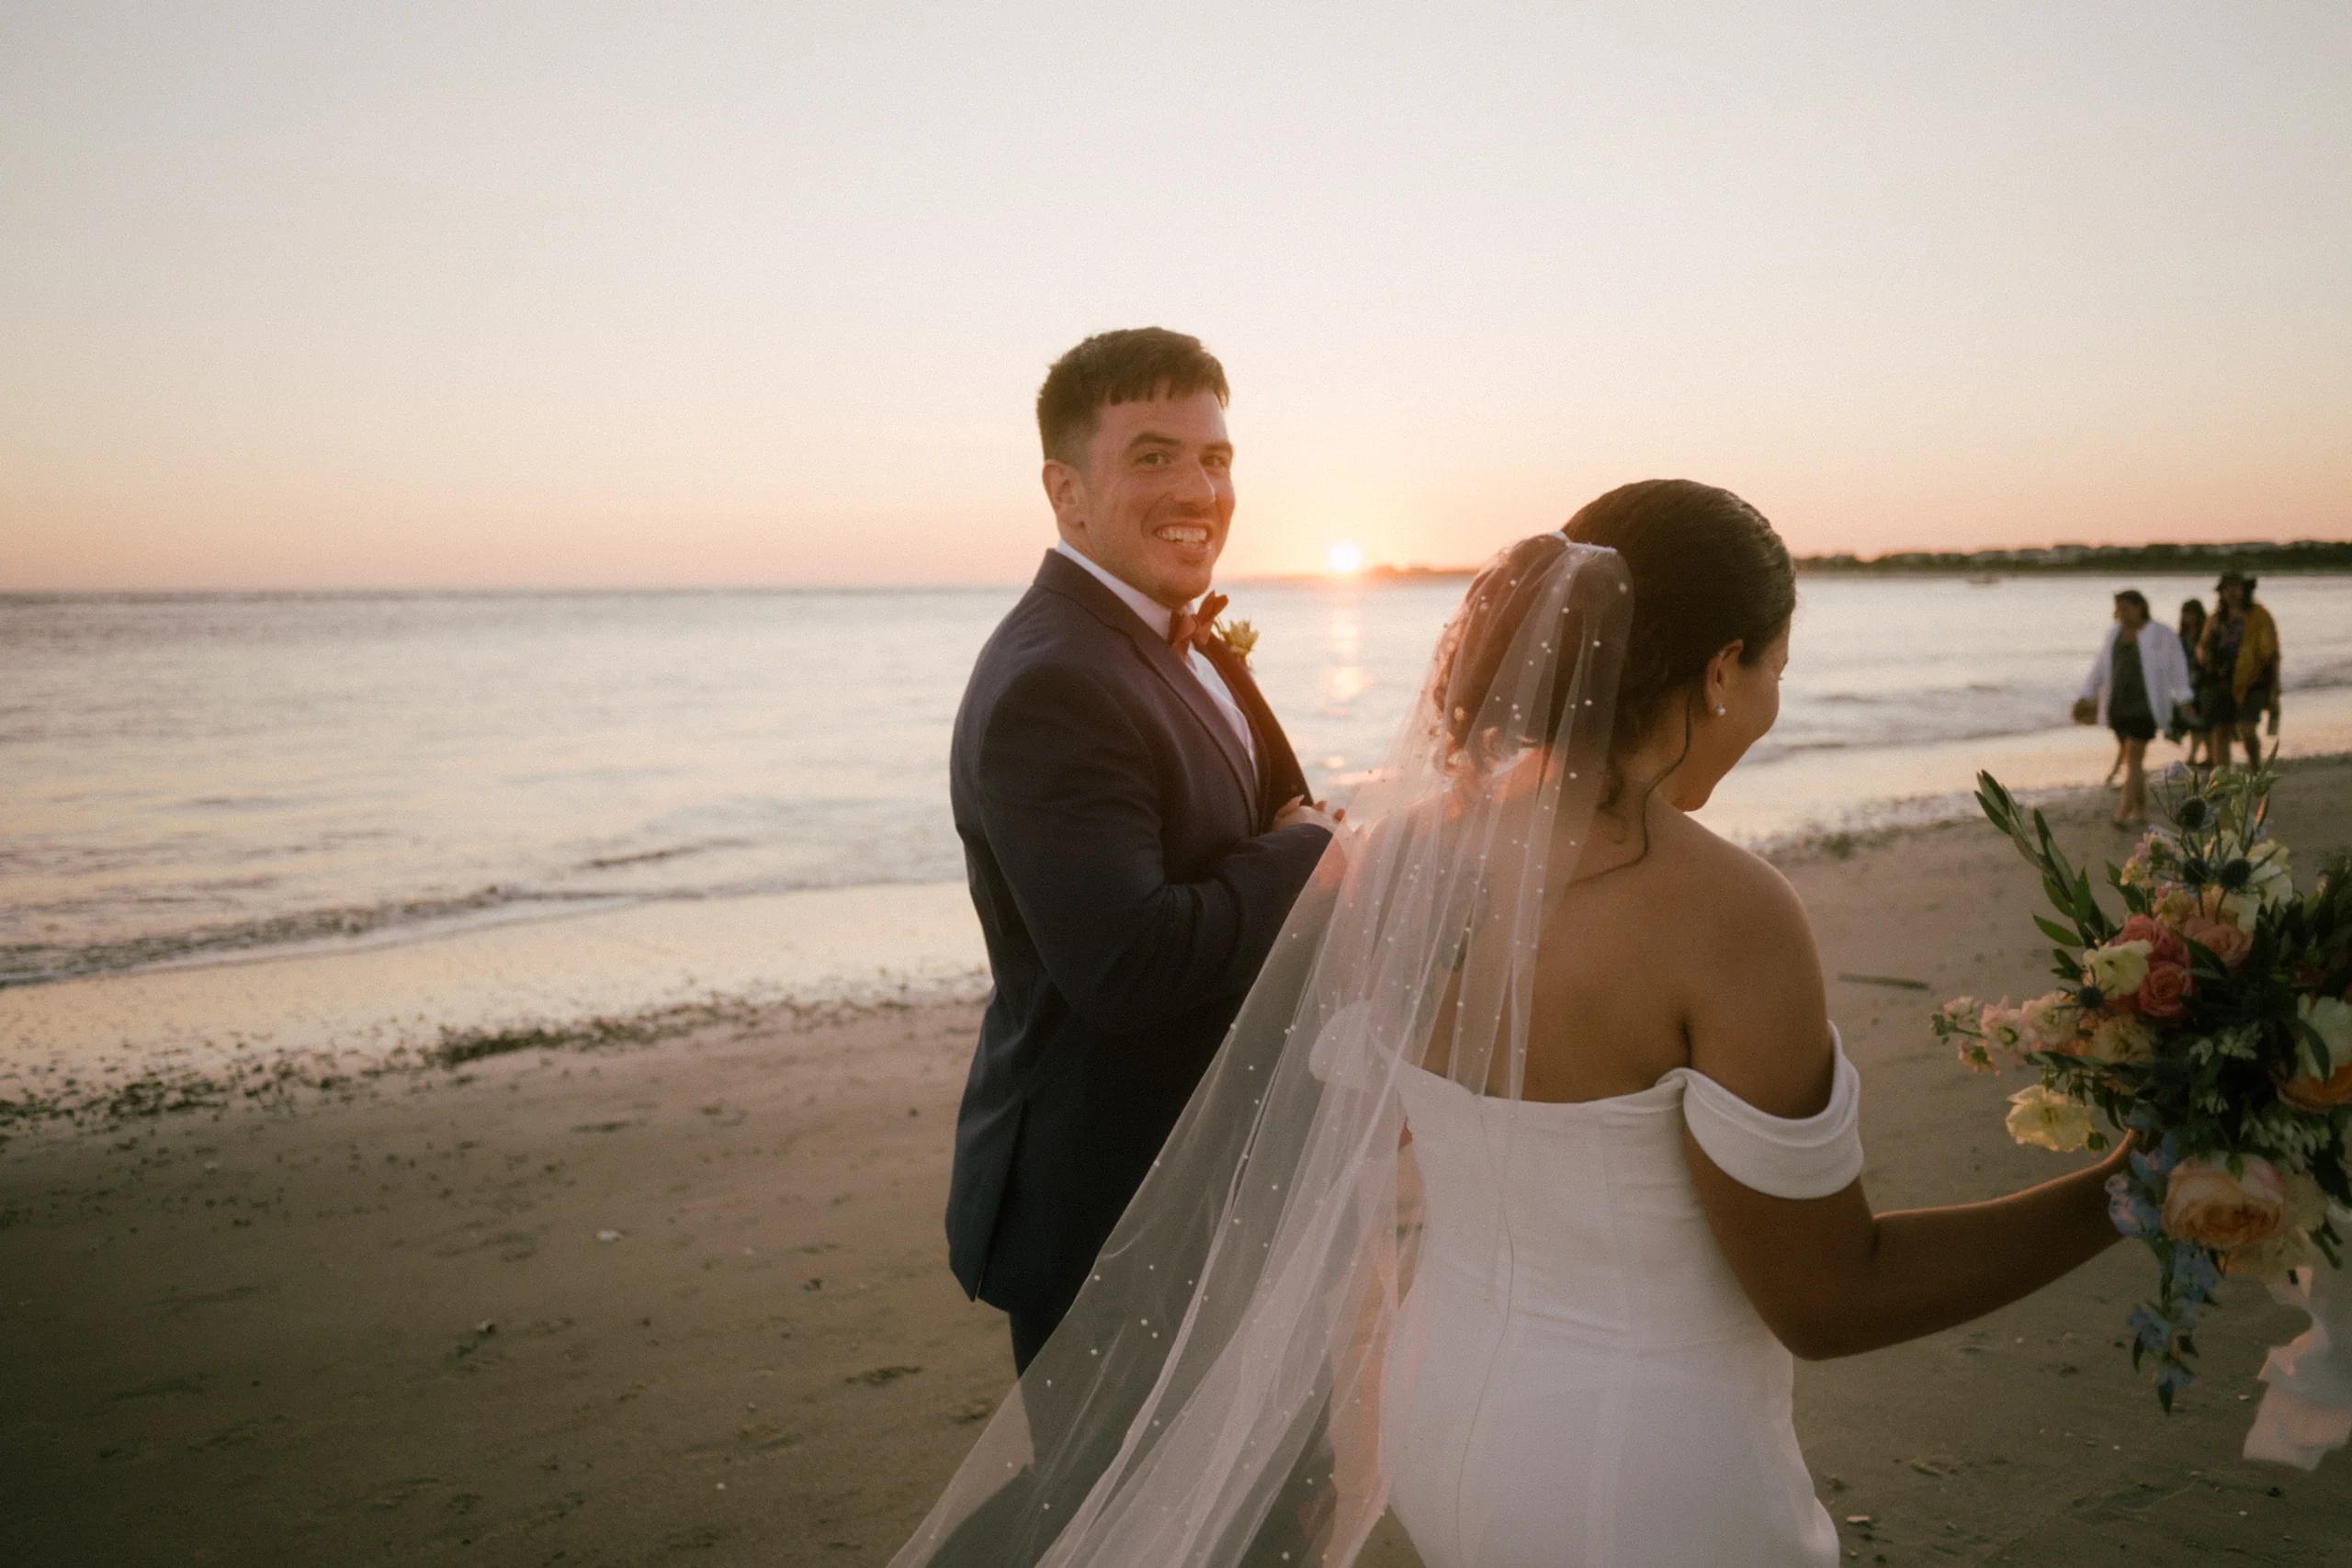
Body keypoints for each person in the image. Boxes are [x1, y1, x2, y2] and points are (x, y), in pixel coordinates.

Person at [894, 481, 2138, 1568]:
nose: (1769, 702)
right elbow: (1828, 1294)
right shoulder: (1731, 914)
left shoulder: (1409, 860)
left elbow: (1368, 1145)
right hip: (1651, 1473)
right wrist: (2125, 1193)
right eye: (1773, 668)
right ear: (1717, 669)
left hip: (1439, 1428)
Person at [944, 327, 1337, 1376]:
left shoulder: (1178, 631)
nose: (1199, 489)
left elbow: (1269, 807)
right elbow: (1131, 962)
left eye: (1215, 459)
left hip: (1219, 1176)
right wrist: (1309, 854)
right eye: (1154, 456)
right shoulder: (1053, 683)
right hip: (1112, 1208)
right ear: (1066, 492)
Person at [2075, 590, 2194, 827]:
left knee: (2135, 757)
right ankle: (2140, 810)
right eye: (2119, 607)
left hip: (2145, 706)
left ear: (2140, 607)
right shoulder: (2114, 634)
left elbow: (2177, 665)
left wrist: (2184, 697)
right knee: (2132, 761)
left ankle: (2122, 813)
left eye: (2127, 607)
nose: (2122, 612)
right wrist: (2086, 694)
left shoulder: (2161, 633)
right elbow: (2100, 666)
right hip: (2118, 705)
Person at [2199, 571, 2281, 772]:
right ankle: (2222, 779)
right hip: (2221, 681)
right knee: (2221, 732)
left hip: (2253, 680)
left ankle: (2255, 766)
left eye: (2236, 587)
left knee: (2247, 729)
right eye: (2227, 588)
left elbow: (2272, 652)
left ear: (2245, 590)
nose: (2232, 592)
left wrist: (2276, 683)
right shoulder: (2216, 618)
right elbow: (2202, 647)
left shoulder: (2259, 615)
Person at [2173, 598, 2210, 765]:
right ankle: (2200, 755)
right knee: (2197, 720)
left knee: (2203, 720)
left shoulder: (2206, 633)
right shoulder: (2182, 636)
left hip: (2204, 681)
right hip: (2188, 682)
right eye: (2185, 614)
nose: (2188, 618)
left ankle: (2198, 755)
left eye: (2191, 614)